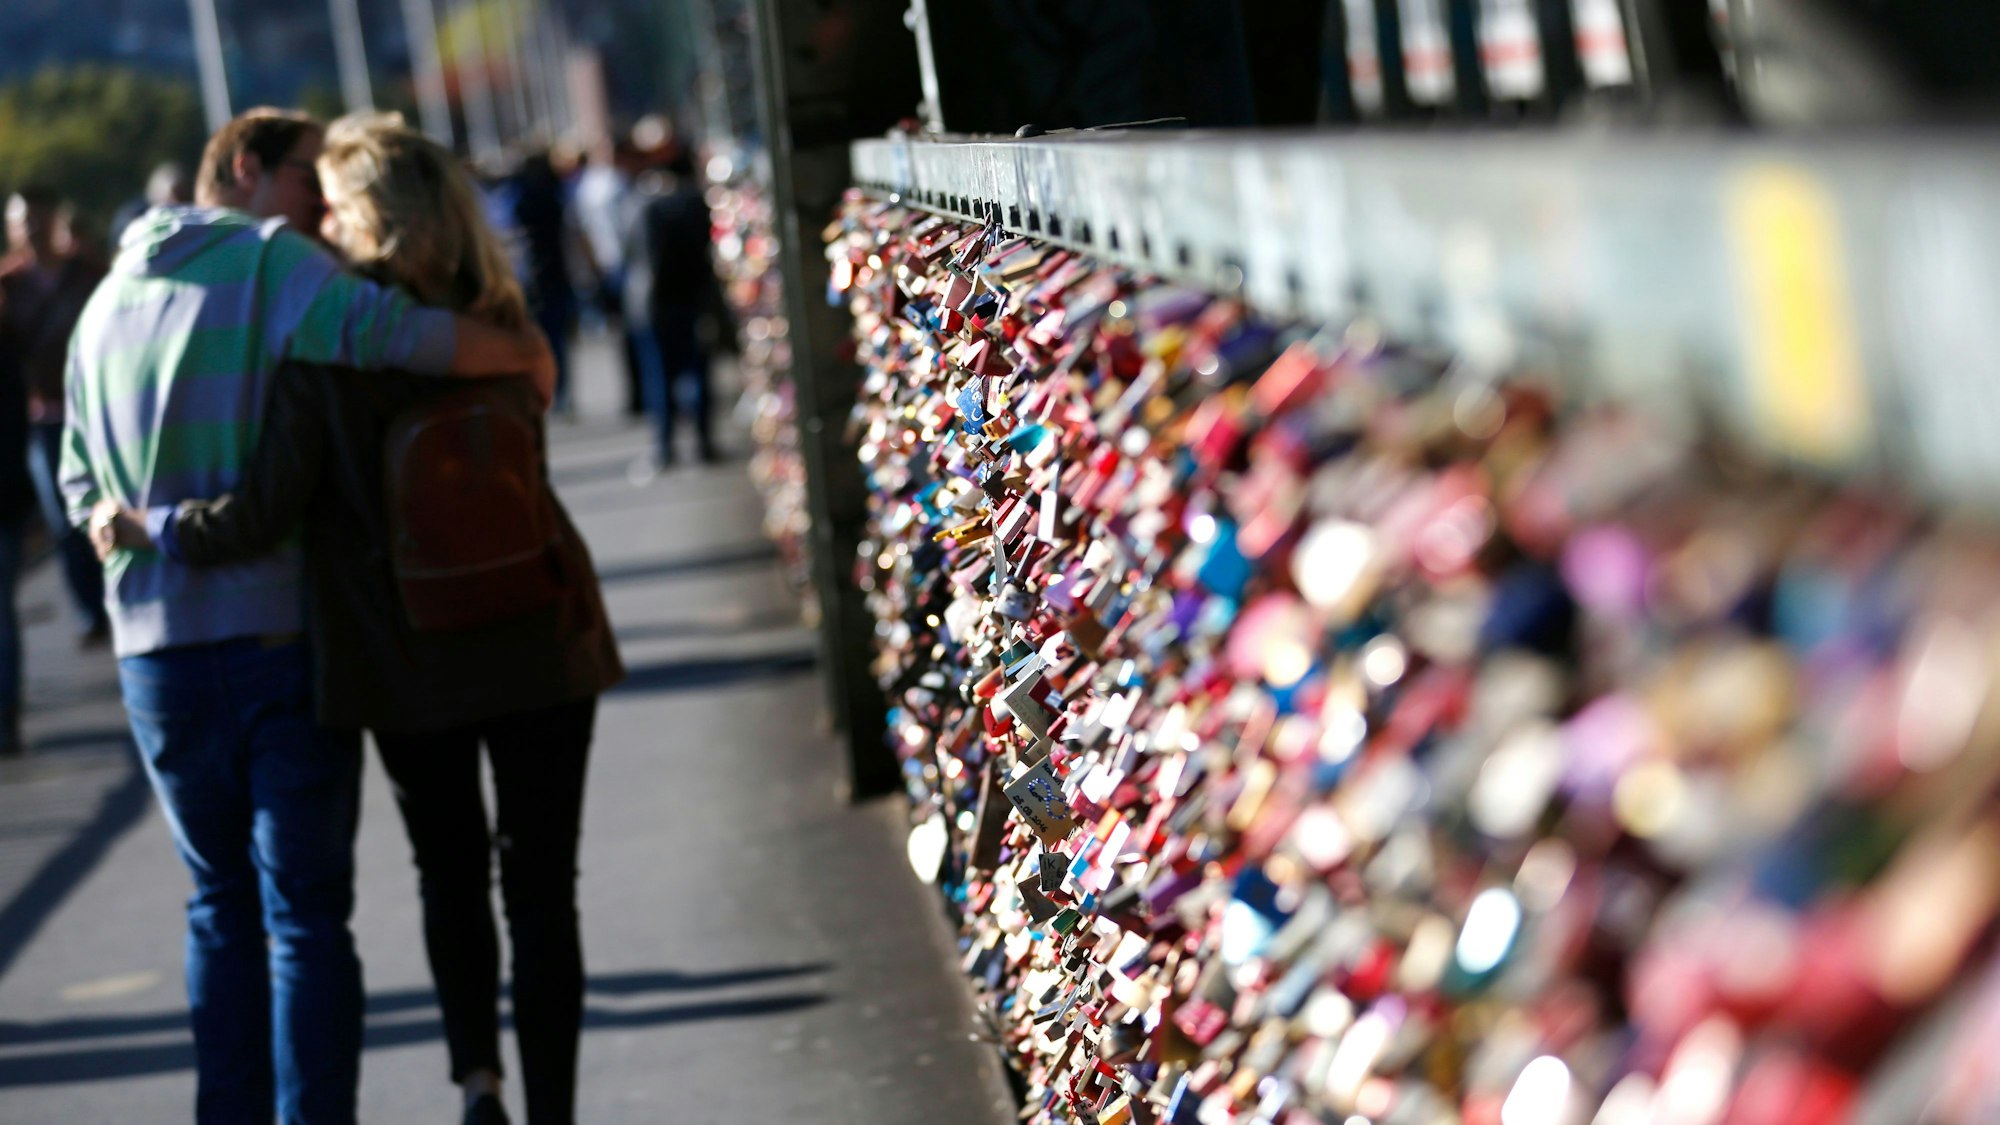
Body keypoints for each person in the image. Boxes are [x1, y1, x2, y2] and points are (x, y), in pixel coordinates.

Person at [98, 111, 623, 1125]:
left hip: (405, 653)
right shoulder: (497, 318)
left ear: (359, 214)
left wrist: (149, 524)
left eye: (329, 207)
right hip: (541, 630)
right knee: (544, 886)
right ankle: (552, 1110)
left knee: (449, 874)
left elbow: (269, 505)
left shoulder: (327, 337)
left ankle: (479, 1083)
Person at [2, 188, 111, 651]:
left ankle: (113, 596)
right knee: (64, 517)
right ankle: (90, 609)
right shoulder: (9, 286)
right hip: (43, 418)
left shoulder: (87, 275)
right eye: (20, 220)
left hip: (96, 409)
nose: (29, 228)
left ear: (52, 219)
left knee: (110, 504)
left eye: (36, 218)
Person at [621, 144, 733, 475]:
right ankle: (703, 443)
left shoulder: (640, 204)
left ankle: (665, 447)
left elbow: (628, 252)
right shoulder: (693, 203)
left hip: (650, 303)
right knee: (697, 370)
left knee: (659, 375)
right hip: (691, 298)